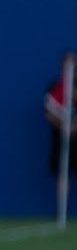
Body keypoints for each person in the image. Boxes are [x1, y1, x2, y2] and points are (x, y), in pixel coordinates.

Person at [45, 50, 77, 178]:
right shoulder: (56, 88)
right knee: (62, 174)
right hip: (61, 139)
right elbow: (48, 112)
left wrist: (74, 126)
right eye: (67, 64)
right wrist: (64, 125)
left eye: (73, 63)